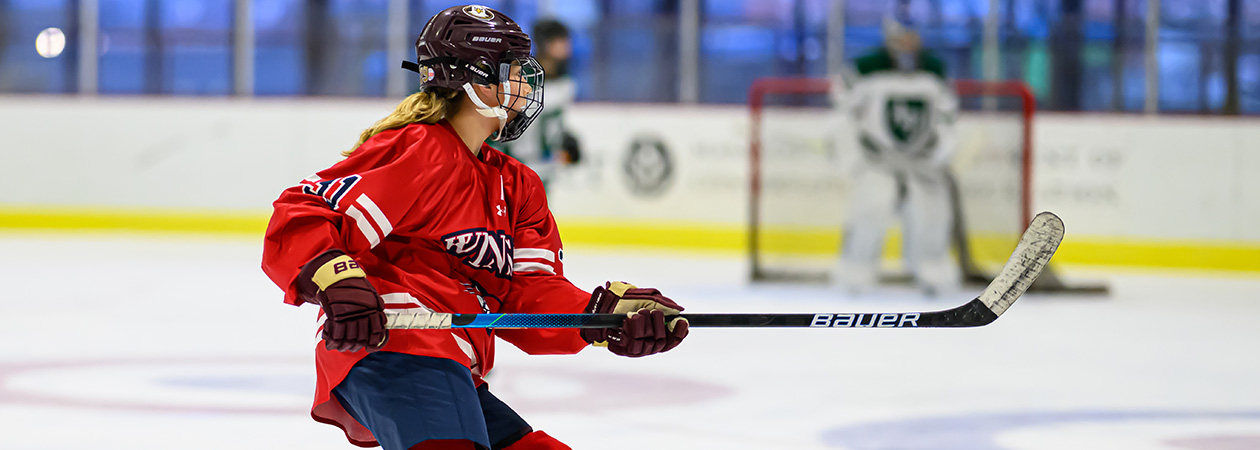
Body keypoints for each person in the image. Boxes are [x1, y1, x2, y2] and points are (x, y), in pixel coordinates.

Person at [260, 5, 689, 450]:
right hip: (393, 348)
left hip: (450, 362)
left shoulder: (517, 184)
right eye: (517, 70)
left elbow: (526, 296)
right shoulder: (421, 150)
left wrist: (599, 315)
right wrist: (333, 278)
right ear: (480, 78)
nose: (527, 83)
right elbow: (303, 214)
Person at [831, 17, 961, 297]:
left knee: (932, 218)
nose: (907, 43)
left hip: (921, 162)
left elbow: (948, 115)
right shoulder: (866, 68)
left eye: (912, 36)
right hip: (879, 160)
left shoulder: (934, 69)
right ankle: (854, 275)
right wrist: (851, 156)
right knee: (868, 214)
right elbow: (843, 111)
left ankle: (933, 273)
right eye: (901, 36)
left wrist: (943, 150)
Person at [488, 18, 581, 190]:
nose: (567, 49)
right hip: (513, 171)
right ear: (546, 44)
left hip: (543, 173)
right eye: (561, 42)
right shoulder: (520, 78)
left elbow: (552, 123)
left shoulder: (565, 82)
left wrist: (566, 140)